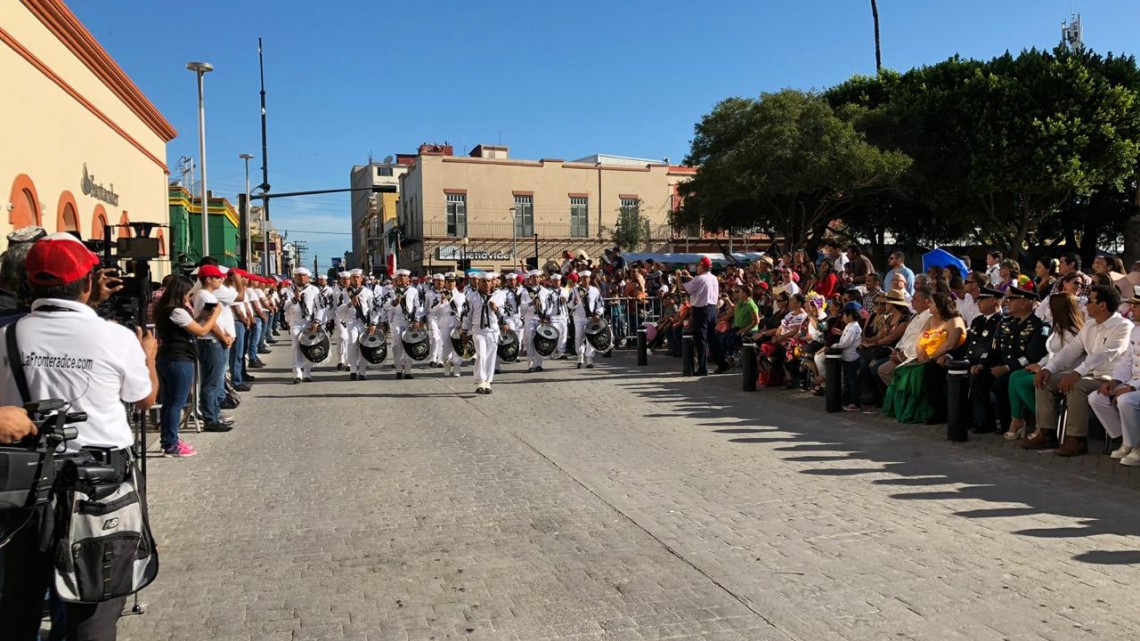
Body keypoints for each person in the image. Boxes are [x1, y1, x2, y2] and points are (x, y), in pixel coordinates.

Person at [0, 233, 158, 641]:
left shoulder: (5, 337)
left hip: (24, 482)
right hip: (99, 482)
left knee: (19, 595)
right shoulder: (116, 337)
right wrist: (149, 357)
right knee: (95, 596)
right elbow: (144, 399)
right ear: (88, 283)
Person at [1025, 285, 1132, 456]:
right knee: (1044, 380)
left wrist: (1077, 373)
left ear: (1102, 305)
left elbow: (1105, 355)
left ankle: (1077, 439)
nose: (1086, 305)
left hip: (1112, 378)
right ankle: (1046, 432)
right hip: (1090, 374)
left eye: (1090, 301)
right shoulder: (1090, 325)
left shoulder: (1123, 326)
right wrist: (1048, 369)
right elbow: (1070, 350)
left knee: (1077, 386)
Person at [155, 274, 222, 456]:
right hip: (178, 359)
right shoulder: (176, 311)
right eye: (187, 293)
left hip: (169, 357)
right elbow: (201, 332)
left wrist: (201, 316)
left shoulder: (166, 309)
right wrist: (215, 315)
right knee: (176, 403)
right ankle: (171, 443)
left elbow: (191, 326)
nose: (189, 296)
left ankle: (169, 439)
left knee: (170, 402)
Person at [883, 291, 966, 424]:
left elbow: (950, 345)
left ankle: (935, 411)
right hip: (924, 358)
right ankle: (908, 408)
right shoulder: (931, 319)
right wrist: (921, 353)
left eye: (932, 302)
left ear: (941, 305)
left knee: (919, 373)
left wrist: (932, 357)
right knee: (903, 371)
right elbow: (919, 339)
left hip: (942, 359)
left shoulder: (954, 321)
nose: (929, 305)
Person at [1006, 292, 1077, 440]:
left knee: (1021, 382)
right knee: (1015, 375)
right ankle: (1016, 420)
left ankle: (1045, 423)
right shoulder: (1057, 329)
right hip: (1051, 368)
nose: (1048, 312)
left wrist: (1044, 369)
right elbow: (1051, 353)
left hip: (1065, 372)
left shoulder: (1072, 333)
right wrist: (1038, 364)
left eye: (1051, 308)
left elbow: (1066, 359)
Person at [1088, 287, 1140, 466]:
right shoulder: (1136, 331)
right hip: (1132, 382)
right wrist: (1115, 381)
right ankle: (1128, 440)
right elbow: (1127, 362)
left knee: (1126, 400)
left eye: (1136, 306)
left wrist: (1133, 387)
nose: (1132, 310)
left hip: (1137, 386)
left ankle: (1136, 445)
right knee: (1097, 397)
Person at [191, 264, 235, 430]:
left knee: (215, 381)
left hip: (216, 341)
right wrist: (224, 337)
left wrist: (226, 336)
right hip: (212, 342)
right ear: (208, 279)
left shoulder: (207, 294)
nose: (221, 280)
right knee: (212, 382)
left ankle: (214, 414)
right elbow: (212, 323)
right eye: (217, 277)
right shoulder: (205, 295)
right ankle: (211, 418)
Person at [965, 287, 1005, 433]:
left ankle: (984, 421)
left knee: (978, 379)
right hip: (973, 362)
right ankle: (964, 417)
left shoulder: (1001, 321)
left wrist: (980, 364)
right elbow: (971, 343)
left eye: (982, 300)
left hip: (992, 363)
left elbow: (992, 347)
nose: (978, 303)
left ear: (993, 300)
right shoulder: (977, 320)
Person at [680, 256, 729, 375]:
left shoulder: (699, 278)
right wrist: (690, 278)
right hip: (712, 309)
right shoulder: (713, 278)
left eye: (698, 265)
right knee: (712, 338)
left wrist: (679, 277)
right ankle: (722, 364)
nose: (696, 267)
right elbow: (700, 283)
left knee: (701, 339)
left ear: (702, 266)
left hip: (701, 310)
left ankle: (703, 368)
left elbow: (684, 288)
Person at [878, 287, 932, 388]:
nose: (912, 301)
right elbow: (905, 337)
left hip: (913, 357)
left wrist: (902, 356)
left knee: (883, 369)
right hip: (900, 353)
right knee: (879, 368)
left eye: (915, 299)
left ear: (925, 302)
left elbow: (920, 342)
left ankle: (902, 394)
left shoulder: (929, 318)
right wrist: (897, 350)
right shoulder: (914, 316)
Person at [462, 272, 505, 394]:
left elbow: (504, 313)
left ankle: (488, 382)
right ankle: (480, 380)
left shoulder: (498, 296)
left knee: (491, 356)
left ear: (492, 282)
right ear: (478, 283)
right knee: (481, 354)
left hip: (493, 330)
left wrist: (496, 309)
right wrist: (465, 330)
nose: (486, 283)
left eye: (488, 281)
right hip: (478, 330)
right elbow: (468, 315)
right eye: (483, 281)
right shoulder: (472, 297)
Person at [284, 266, 321, 384]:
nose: (301, 278)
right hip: (295, 321)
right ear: (294, 277)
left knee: (309, 346)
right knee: (296, 346)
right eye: (299, 275)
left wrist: (317, 321)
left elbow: (320, 307)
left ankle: (307, 372)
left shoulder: (314, 290)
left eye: (304, 275)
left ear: (308, 277)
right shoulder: (289, 290)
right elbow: (284, 306)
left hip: (309, 321)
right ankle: (297, 372)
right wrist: (294, 299)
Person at [387, 269, 425, 380]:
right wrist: (392, 303)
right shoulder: (391, 291)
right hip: (396, 320)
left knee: (409, 345)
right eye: (400, 276)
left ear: (408, 278)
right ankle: (399, 369)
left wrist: (417, 319)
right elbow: (384, 306)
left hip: (409, 320)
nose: (402, 278)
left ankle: (408, 370)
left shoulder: (413, 291)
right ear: (396, 278)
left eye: (404, 276)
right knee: (396, 345)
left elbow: (419, 306)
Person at [340, 269, 375, 380]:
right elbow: (339, 310)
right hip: (351, 322)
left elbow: (374, 309)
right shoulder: (345, 292)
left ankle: (363, 371)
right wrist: (350, 304)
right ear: (350, 279)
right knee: (352, 343)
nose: (355, 279)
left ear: (361, 278)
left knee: (363, 345)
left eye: (357, 277)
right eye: (353, 277)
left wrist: (374, 323)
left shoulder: (368, 292)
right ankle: (353, 369)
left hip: (364, 322)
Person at [570, 270, 603, 368]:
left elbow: (599, 303)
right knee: (579, 337)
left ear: (589, 279)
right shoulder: (574, 290)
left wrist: (598, 313)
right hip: (579, 317)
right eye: (583, 278)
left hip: (591, 318)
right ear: (580, 279)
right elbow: (569, 303)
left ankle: (589, 359)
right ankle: (580, 357)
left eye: (587, 277)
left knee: (590, 338)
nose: (585, 279)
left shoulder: (594, 290)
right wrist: (574, 302)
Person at [837, 301, 864, 411]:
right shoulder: (849, 326)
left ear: (851, 315)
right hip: (846, 357)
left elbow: (845, 343)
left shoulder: (854, 328)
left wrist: (836, 346)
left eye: (844, 314)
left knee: (852, 382)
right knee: (847, 381)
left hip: (852, 358)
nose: (843, 316)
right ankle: (847, 401)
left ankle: (855, 403)